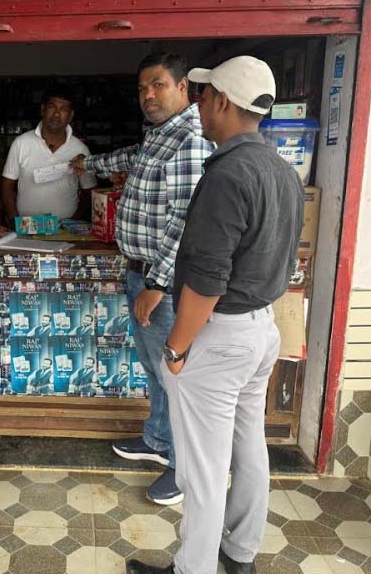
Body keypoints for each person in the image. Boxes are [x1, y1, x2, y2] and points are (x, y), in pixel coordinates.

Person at [126, 56, 304, 574]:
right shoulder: (281, 169)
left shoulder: (226, 174)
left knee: (202, 469)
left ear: (223, 102)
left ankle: (194, 568)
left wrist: (176, 348)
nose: (198, 105)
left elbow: (206, 279)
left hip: (220, 334)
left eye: (203, 97)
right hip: (260, 329)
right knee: (249, 448)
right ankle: (240, 553)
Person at [73, 52, 213, 506]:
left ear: (183, 87)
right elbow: (128, 157)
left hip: (163, 284)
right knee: (156, 370)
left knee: (177, 376)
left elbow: (184, 223)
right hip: (143, 274)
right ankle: (158, 439)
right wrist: (87, 164)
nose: (148, 95)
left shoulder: (189, 139)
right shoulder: (159, 136)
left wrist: (156, 283)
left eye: (158, 85)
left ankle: (184, 468)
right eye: (142, 88)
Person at [2, 86, 97, 222]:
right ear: (43, 110)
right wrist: (14, 220)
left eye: (63, 109)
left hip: (65, 228)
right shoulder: (21, 143)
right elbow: (7, 185)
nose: (56, 114)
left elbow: (89, 190)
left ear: (70, 115)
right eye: (52, 107)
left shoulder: (80, 149)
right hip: (27, 226)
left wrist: (74, 220)